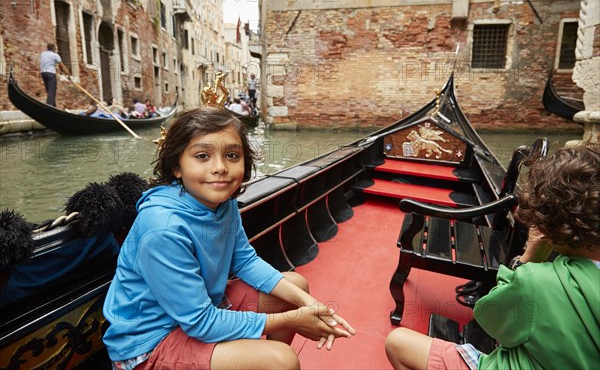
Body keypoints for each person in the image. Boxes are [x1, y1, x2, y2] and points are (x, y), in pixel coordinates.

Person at [102, 108, 355, 369]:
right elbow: (201, 323)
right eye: (202, 156)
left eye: (232, 155)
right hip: (150, 343)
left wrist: (311, 305)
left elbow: (244, 261)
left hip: (201, 311)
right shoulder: (162, 229)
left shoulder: (223, 203)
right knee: (282, 361)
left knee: (295, 287)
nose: (220, 168)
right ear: (177, 166)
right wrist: (293, 320)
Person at [385, 145, 600, 370]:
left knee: (397, 342)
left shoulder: (539, 280)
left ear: (548, 224)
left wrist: (527, 259)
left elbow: (488, 320)